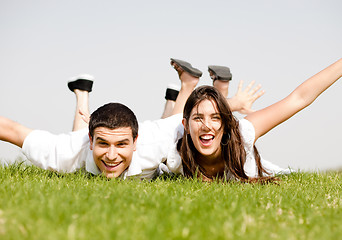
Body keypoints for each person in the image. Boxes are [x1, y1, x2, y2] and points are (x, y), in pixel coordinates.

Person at [0, 58, 262, 179]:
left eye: (122, 145)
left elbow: (193, 118)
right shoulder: (66, 152)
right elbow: (14, 131)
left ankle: (187, 85)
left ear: (136, 142)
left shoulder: (152, 142)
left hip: (160, 136)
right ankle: (82, 95)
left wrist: (232, 103)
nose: (112, 156)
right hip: (80, 142)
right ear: (91, 141)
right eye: (103, 144)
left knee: (171, 121)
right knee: (73, 140)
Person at [164, 58, 342, 182]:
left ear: (226, 124)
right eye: (198, 118)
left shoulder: (242, 133)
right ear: (186, 126)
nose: (206, 126)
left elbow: (298, 99)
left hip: (263, 169)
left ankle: (212, 87)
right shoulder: (175, 156)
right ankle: (211, 87)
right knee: (171, 122)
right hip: (177, 130)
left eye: (216, 118)